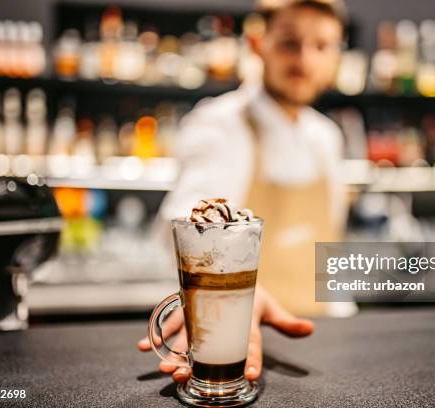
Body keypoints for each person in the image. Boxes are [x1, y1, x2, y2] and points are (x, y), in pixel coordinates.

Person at [139, 0, 355, 383]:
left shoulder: (328, 137)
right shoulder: (221, 125)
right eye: (290, 43)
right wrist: (222, 300)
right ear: (259, 44)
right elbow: (187, 228)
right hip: (244, 343)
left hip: (327, 341)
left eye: (321, 46)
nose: (304, 59)